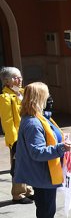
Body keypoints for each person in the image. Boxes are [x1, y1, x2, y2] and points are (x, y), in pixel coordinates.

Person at [14, 82, 71, 218]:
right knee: (45, 213)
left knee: (48, 211)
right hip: (42, 175)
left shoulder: (39, 117)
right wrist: (61, 147)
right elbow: (37, 152)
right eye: (47, 95)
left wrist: (61, 142)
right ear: (39, 98)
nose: (50, 99)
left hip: (46, 173)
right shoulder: (33, 123)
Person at [1, 66, 35, 204]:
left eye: (20, 76)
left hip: (28, 134)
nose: (19, 79)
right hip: (17, 137)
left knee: (29, 163)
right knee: (19, 164)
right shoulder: (5, 98)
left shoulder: (22, 93)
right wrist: (14, 141)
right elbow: (7, 121)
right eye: (15, 77)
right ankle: (18, 193)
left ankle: (28, 190)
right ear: (7, 81)